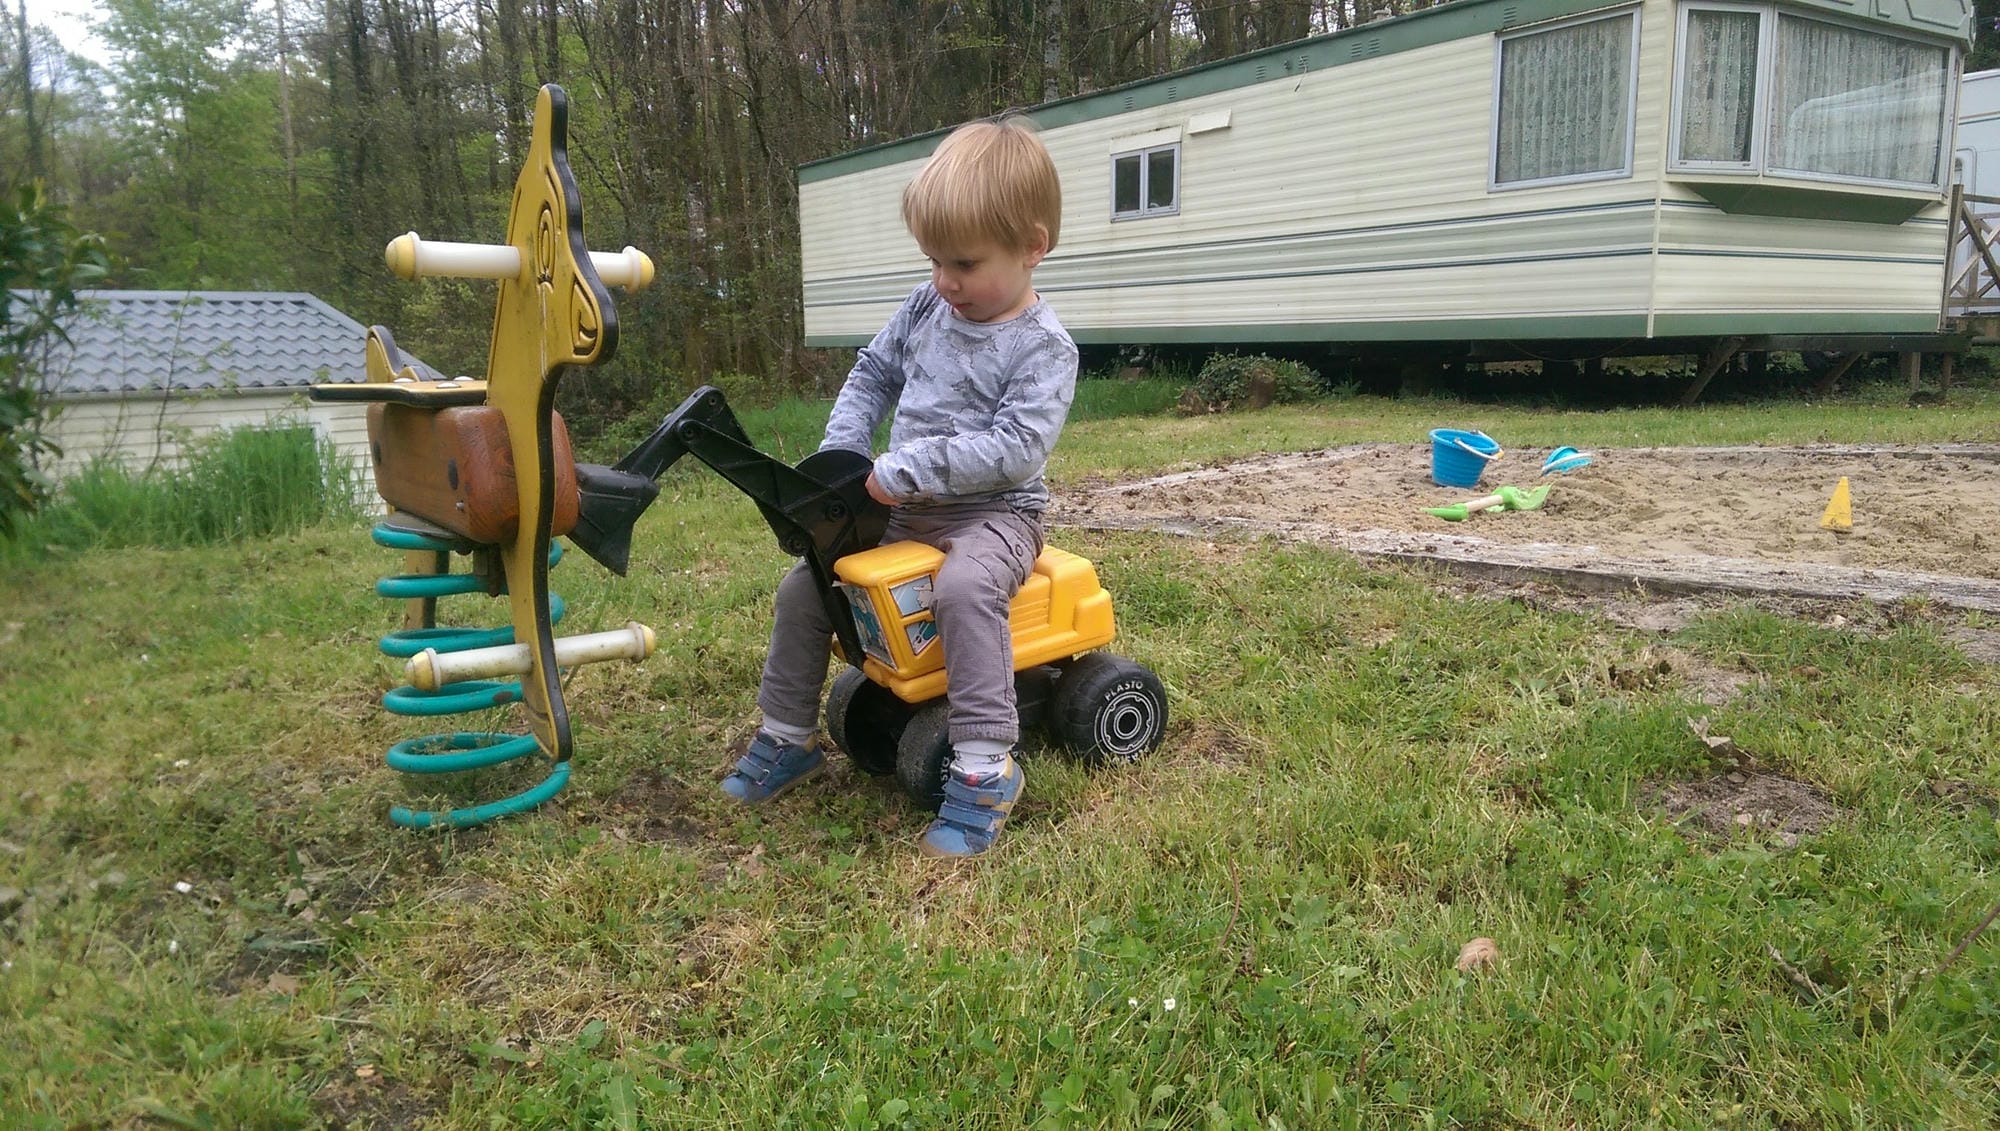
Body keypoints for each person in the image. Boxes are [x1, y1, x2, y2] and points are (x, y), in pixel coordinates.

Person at [719, 115, 1077, 859]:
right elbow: (873, 374)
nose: (945, 281)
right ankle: (787, 735)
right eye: (934, 260)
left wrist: (904, 469)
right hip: (905, 507)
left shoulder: (1044, 347)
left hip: (994, 514)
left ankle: (984, 766)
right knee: (808, 585)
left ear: (1032, 246)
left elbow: (1016, 449)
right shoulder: (925, 306)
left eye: (964, 263)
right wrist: (845, 450)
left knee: (963, 590)